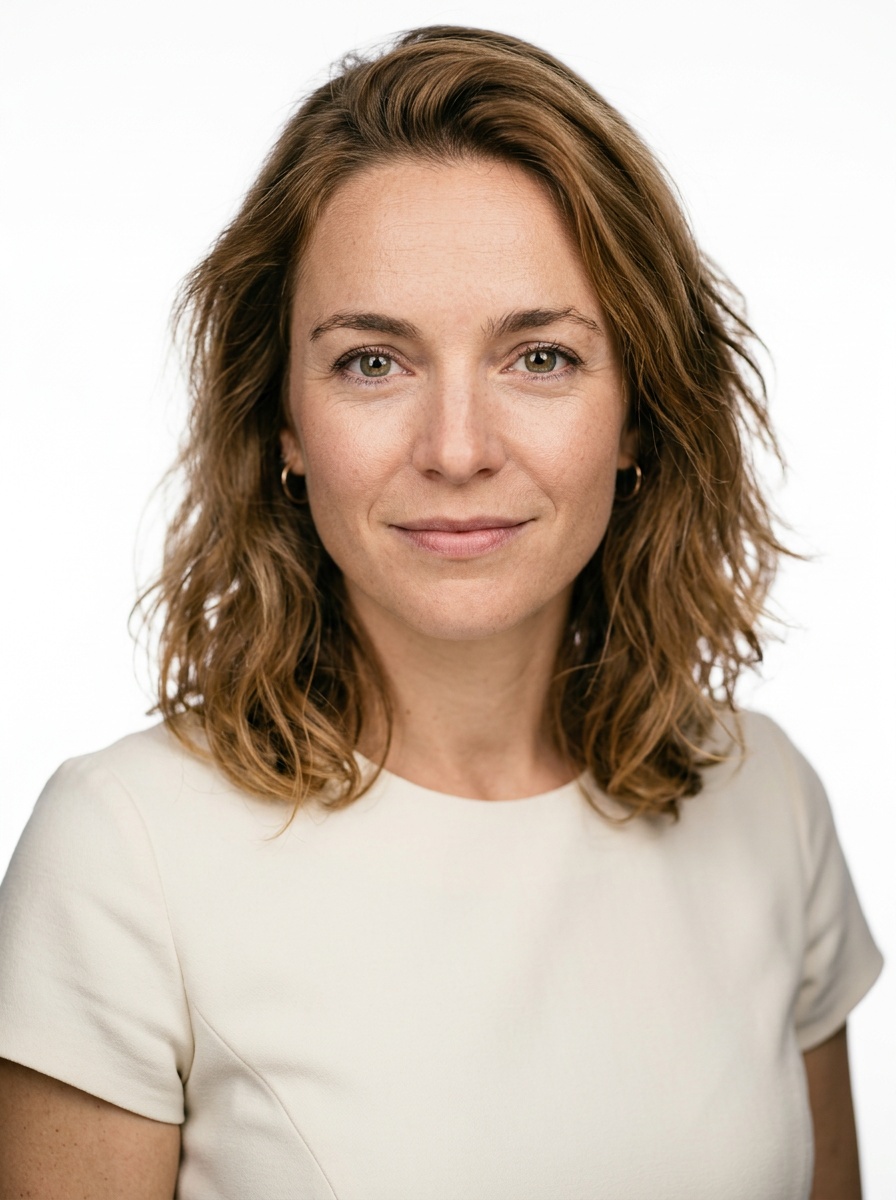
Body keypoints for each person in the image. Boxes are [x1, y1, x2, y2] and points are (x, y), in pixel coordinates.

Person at [0, 24, 883, 1200]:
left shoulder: (762, 799)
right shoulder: (122, 852)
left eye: (541, 359)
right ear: (282, 424)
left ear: (636, 413)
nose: (457, 450)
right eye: (373, 362)